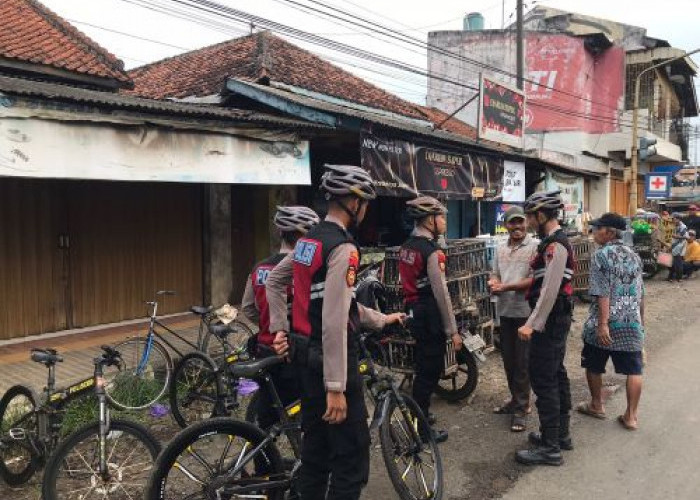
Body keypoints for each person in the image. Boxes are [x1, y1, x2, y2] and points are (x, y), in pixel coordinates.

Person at [265, 164, 405, 500]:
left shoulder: (306, 242)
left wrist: (279, 330)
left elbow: (274, 282)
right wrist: (336, 387)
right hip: (331, 363)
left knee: (315, 456)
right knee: (350, 462)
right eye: (365, 203)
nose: (366, 210)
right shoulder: (343, 248)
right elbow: (333, 320)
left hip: (303, 357)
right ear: (353, 203)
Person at [240, 205, 319, 429]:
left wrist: (268, 324)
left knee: (267, 419)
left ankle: (264, 460)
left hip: (265, 351)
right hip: (295, 352)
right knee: (310, 418)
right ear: (302, 234)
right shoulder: (305, 268)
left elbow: (248, 308)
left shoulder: (259, 268)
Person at [515, 190, 575, 467]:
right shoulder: (551, 243)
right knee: (556, 374)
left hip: (549, 322)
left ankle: (551, 448)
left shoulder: (556, 246)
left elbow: (549, 291)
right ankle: (560, 434)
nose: (527, 221)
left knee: (544, 380)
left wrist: (531, 324)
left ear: (541, 215)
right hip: (555, 321)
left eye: (529, 216)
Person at [399, 196, 462, 443]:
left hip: (414, 311)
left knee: (422, 367)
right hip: (430, 314)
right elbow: (441, 293)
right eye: (441, 217)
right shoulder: (432, 252)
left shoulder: (407, 246)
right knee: (429, 372)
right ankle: (421, 429)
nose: (444, 221)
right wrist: (452, 331)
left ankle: (420, 414)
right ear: (428, 220)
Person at [578, 212, 645, 431]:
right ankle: (631, 417)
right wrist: (641, 326)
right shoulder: (635, 256)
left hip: (606, 322)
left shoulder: (601, 255)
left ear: (609, 232)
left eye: (597, 228)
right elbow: (641, 294)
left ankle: (597, 405)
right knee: (634, 370)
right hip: (631, 322)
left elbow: (601, 291)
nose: (594, 232)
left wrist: (603, 324)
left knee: (593, 364)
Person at [489, 205, 537, 433]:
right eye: (512, 222)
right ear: (506, 225)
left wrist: (505, 286)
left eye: (520, 222)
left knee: (522, 363)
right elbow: (494, 273)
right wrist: (493, 282)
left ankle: (522, 409)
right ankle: (516, 400)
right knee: (508, 361)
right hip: (504, 311)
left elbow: (534, 279)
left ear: (526, 223)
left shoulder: (535, 247)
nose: (517, 226)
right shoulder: (499, 248)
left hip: (525, 313)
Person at [667, 214, 688, 282]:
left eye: (674, 219)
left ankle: (679, 278)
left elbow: (686, 237)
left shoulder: (683, 227)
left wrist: (677, 237)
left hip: (679, 246)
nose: (673, 220)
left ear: (678, 219)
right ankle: (671, 277)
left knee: (678, 262)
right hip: (674, 246)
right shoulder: (675, 226)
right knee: (672, 262)